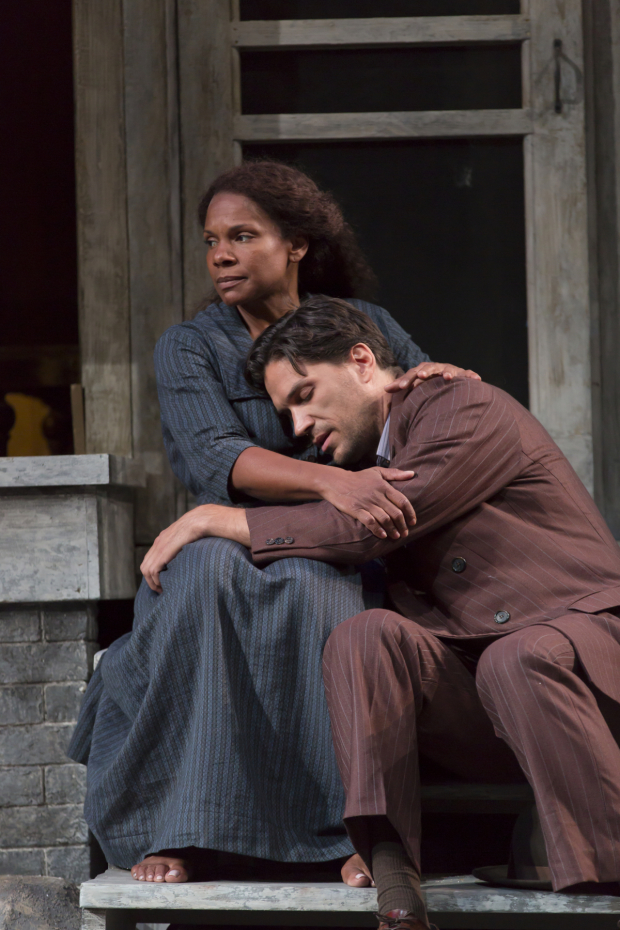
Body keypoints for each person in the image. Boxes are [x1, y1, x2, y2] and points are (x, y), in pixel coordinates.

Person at [150, 295, 620, 929]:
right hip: (491, 692)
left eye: (303, 394)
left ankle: (605, 889)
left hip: (583, 666)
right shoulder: (376, 461)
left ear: (362, 361)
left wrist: (216, 516)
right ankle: (397, 891)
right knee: (363, 637)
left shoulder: (463, 408)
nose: (296, 427)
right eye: (285, 410)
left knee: (518, 655)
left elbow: (369, 529)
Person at [68, 161, 479, 885]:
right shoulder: (190, 346)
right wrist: (335, 481)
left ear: (295, 243)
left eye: (242, 236)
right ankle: (178, 828)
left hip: (338, 542)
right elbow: (212, 455)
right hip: (224, 525)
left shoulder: (365, 325)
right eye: (211, 240)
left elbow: (416, 397)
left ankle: (355, 831)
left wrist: (439, 381)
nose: (220, 254)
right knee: (201, 585)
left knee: (323, 598)